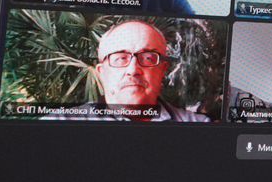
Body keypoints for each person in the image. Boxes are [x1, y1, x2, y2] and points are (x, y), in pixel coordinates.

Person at [47, 19, 208, 121]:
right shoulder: (59, 124)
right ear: (101, 73)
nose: (133, 70)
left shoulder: (197, 126)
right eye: (120, 58)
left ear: (163, 70)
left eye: (148, 58)